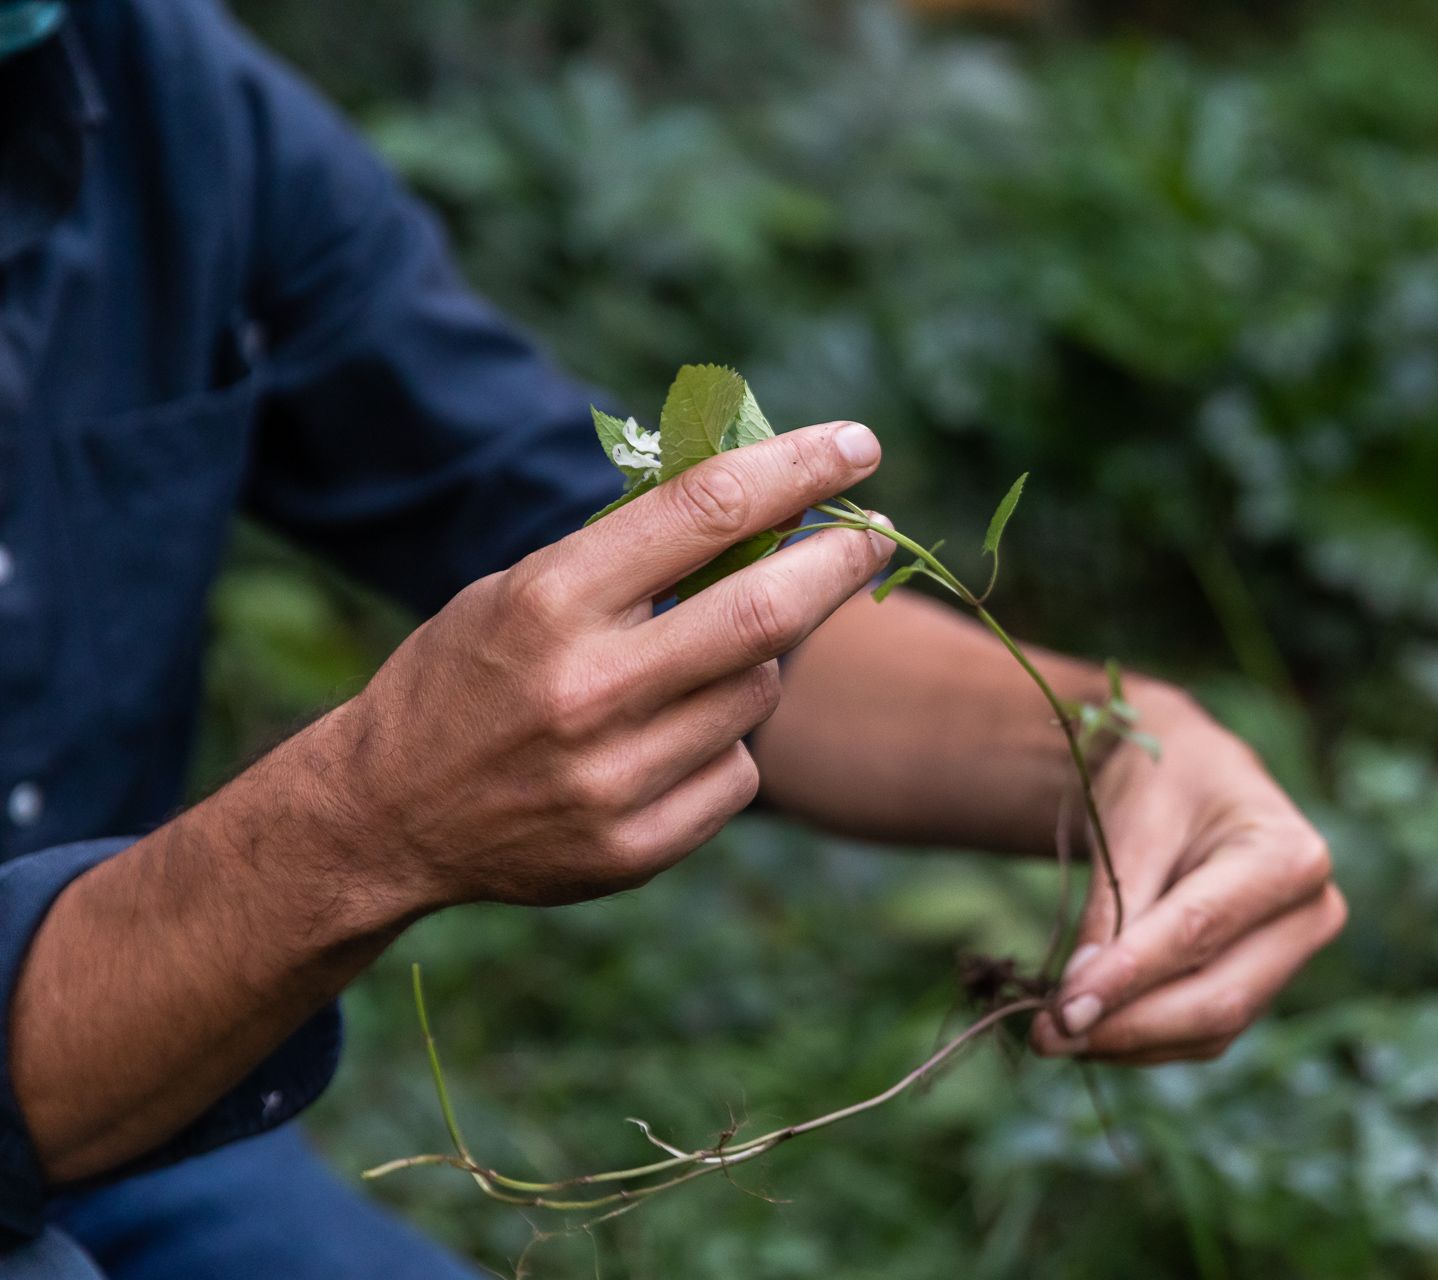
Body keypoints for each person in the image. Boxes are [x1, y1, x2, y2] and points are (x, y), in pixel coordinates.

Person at [0, 0, 1345, 1274]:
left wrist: (1109, 750)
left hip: (147, 1104)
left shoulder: (148, 87)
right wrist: (365, 824)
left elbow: (559, 514)